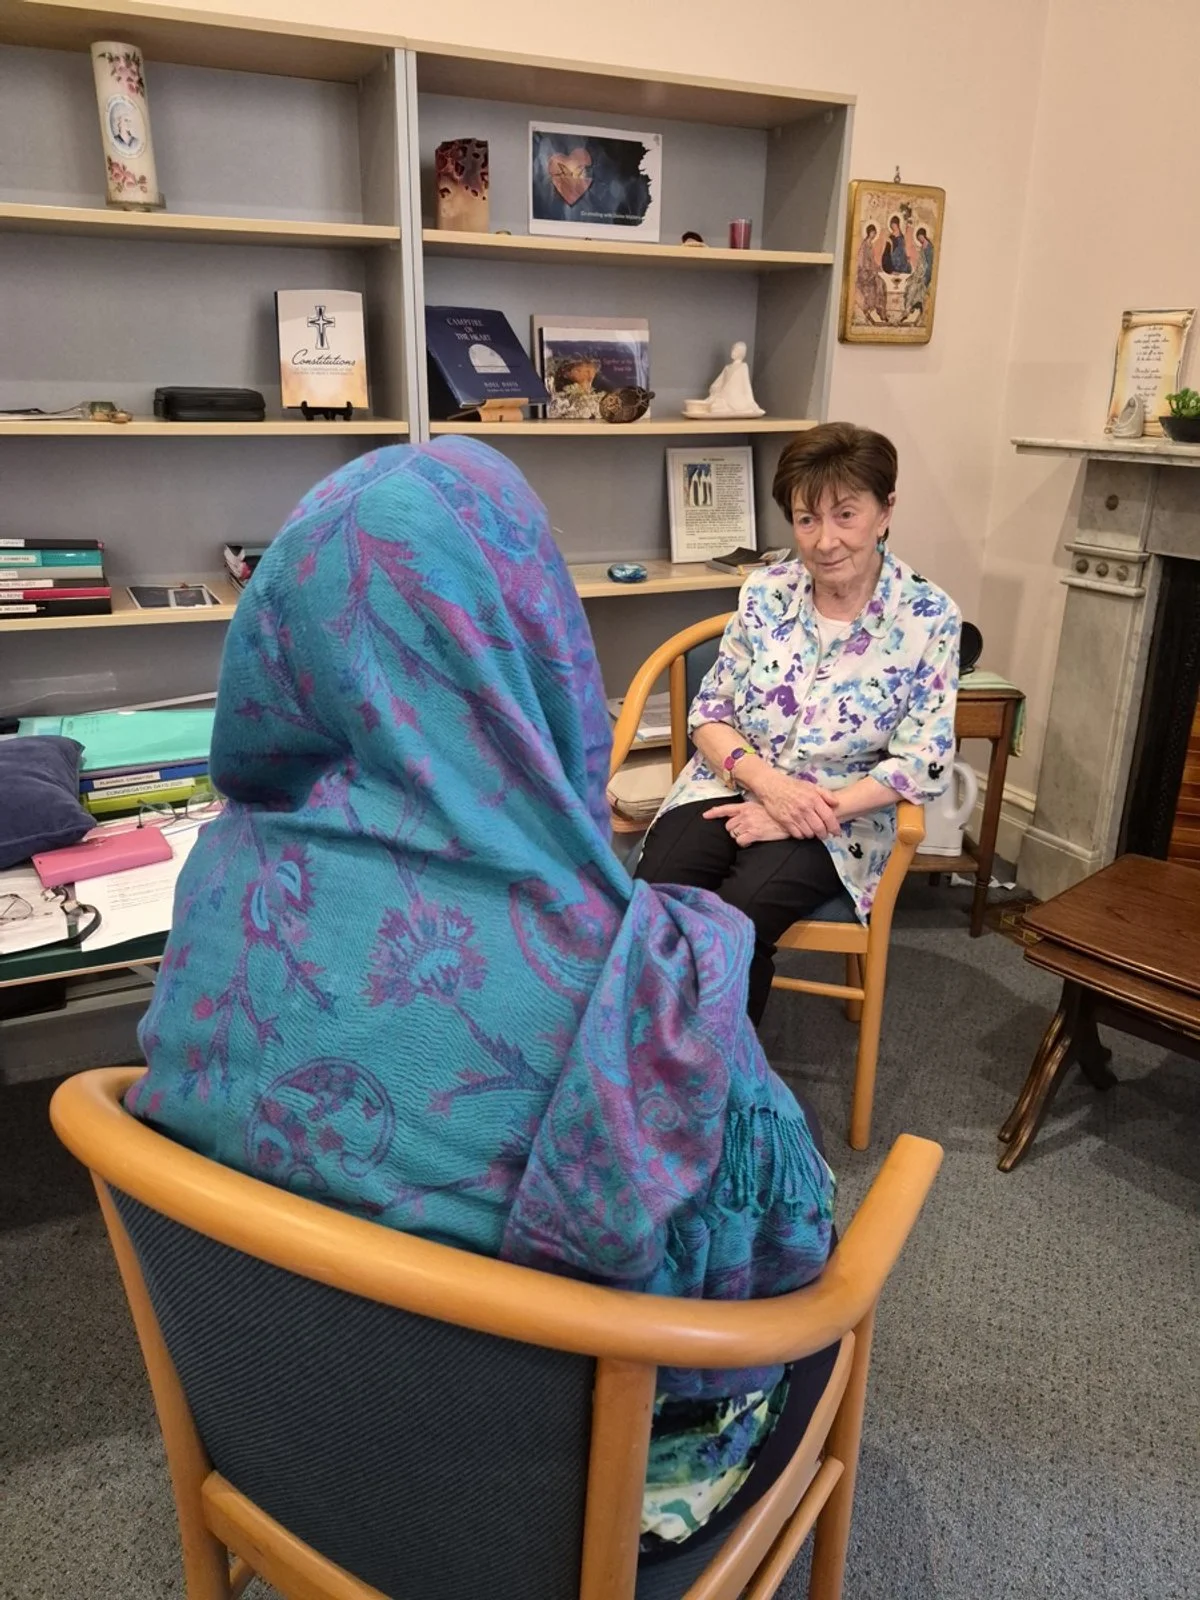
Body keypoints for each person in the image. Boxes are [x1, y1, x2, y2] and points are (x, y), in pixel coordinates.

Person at [125, 436, 837, 1560]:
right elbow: (783, 1259)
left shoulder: (216, 884)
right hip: (543, 1521)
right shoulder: (641, 976)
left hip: (278, 1434)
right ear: (532, 643)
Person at [635, 422, 960, 1024]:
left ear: (885, 511)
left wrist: (805, 810)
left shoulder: (928, 616)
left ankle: (722, 1092)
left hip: (842, 816)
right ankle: (642, 1062)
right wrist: (770, 787)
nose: (825, 540)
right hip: (733, 782)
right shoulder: (766, 592)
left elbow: (923, 761)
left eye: (845, 514)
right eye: (807, 519)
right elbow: (708, 715)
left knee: (739, 918)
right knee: (653, 897)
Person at [854, 222, 885, 322]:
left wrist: (877, 267)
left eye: (875, 233)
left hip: (870, 272)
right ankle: (874, 309)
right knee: (878, 283)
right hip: (864, 274)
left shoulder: (870, 244)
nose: (874, 235)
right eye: (873, 233)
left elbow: (871, 260)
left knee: (881, 283)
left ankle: (880, 310)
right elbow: (862, 261)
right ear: (869, 233)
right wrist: (871, 270)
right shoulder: (865, 245)